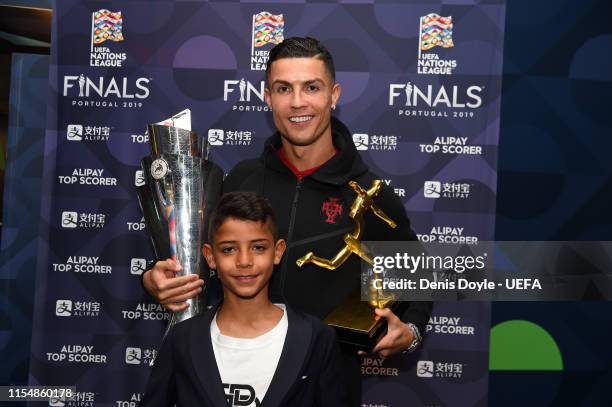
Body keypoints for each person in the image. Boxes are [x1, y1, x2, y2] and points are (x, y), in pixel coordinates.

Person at [142, 37, 431, 358]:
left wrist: (411, 333)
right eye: (283, 89)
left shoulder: (368, 193)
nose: (297, 102)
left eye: (311, 87)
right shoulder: (241, 180)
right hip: (235, 374)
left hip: (327, 384)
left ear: (333, 96)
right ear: (267, 97)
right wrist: (157, 278)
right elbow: (197, 259)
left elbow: (418, 278)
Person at [140, 192, 351, 407]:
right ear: (211, 256)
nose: (244, 261)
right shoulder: (182, 339)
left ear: (277, 252)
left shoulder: (316, 337)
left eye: (258, 248)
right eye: (229, 249)